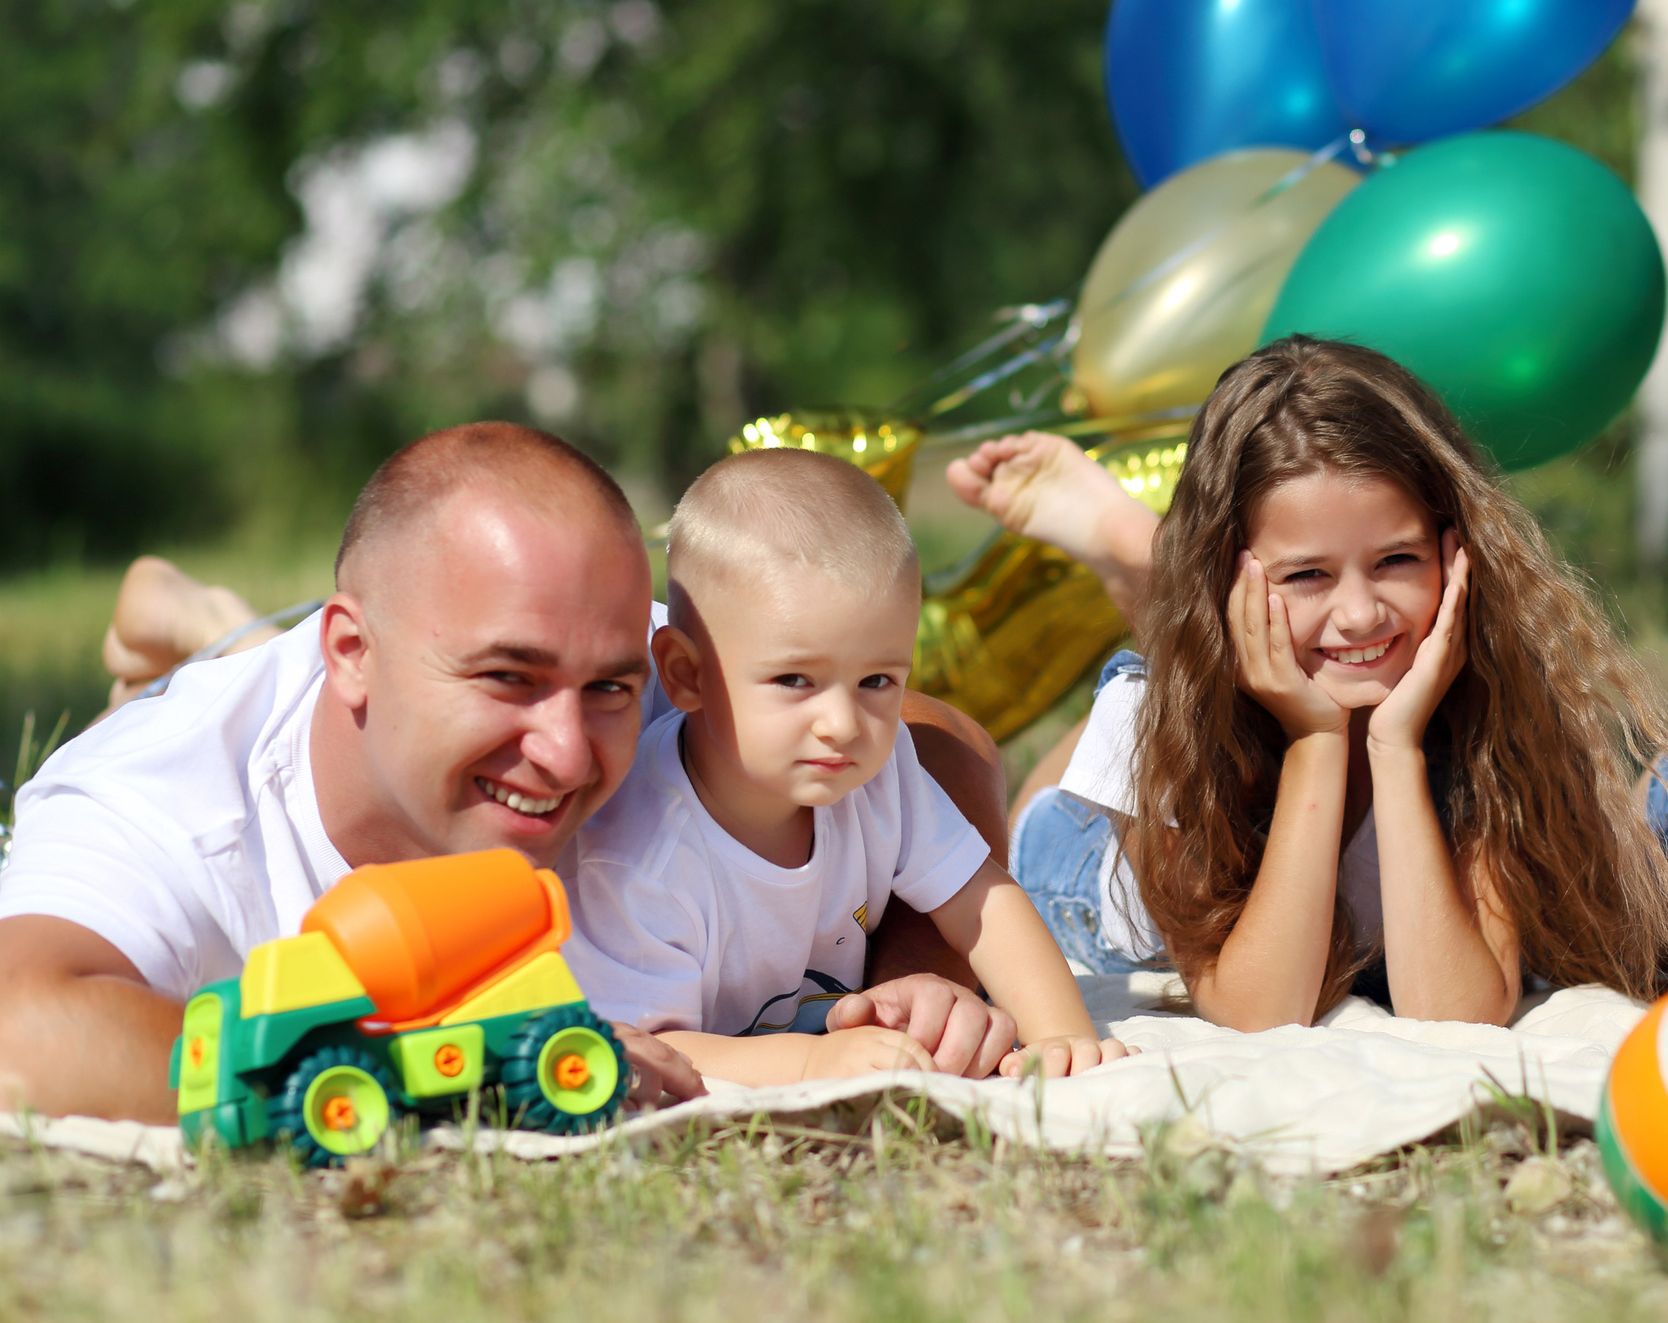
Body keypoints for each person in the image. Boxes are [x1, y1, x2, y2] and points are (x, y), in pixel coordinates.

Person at [0, 424, 1011, 1121]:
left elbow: (947, 746)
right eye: (506, 678)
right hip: (236, 708)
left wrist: (908, 985)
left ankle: (213, 627)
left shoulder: (654, 672)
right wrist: (455, 1079)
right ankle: (198, 634)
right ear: (349, 653)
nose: (567, 751)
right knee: (231, 680)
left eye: (611, 689)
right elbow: (22, 1031)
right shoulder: (167, 810)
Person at [988, 337, 1668, 1031]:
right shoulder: (1152, 722)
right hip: (1081, 863)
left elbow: (1459, 1015)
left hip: (1276, 685)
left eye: (1397, 561)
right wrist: (1315, 738)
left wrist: (1398, 744)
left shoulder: (1485, 702)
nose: (1360, 614)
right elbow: (1260, 1011)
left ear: (1455, 550)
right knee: (1125, 718)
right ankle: (1139, 561)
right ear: (1229, 576)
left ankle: (1152, 574)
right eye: (1308, 574)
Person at [563, 448, 1125, 1083]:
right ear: (686, 675)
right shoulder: (635, 854)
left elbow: (983, 900)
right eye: (795, 679)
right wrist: (812, 1061)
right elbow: (651, 1046)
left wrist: (1062, 1034)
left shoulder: (878, 777)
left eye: (877, 679)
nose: (843, 722)